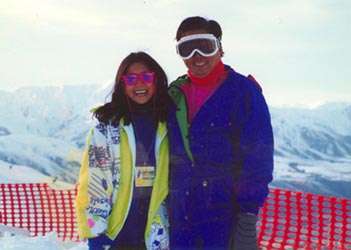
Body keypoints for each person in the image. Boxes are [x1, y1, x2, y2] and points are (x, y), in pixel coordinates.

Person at [167, 16, 274, 249]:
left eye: (205, 46)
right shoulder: (174, 94)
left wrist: (247, 221)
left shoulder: (243, 92)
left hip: (223, 219)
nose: (196, 56)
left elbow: (258, 158)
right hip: (179, 218)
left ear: (220, 47)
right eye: (187, 48)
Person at [75, 52, 170, 250]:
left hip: (157, 237)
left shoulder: (168, 125)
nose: (139, 84)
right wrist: (95, 234)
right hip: (115, 237)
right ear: (122, 84)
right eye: (131, 79)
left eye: (146, 77)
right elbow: (94, 182)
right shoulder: (107, 128)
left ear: (156, 80)